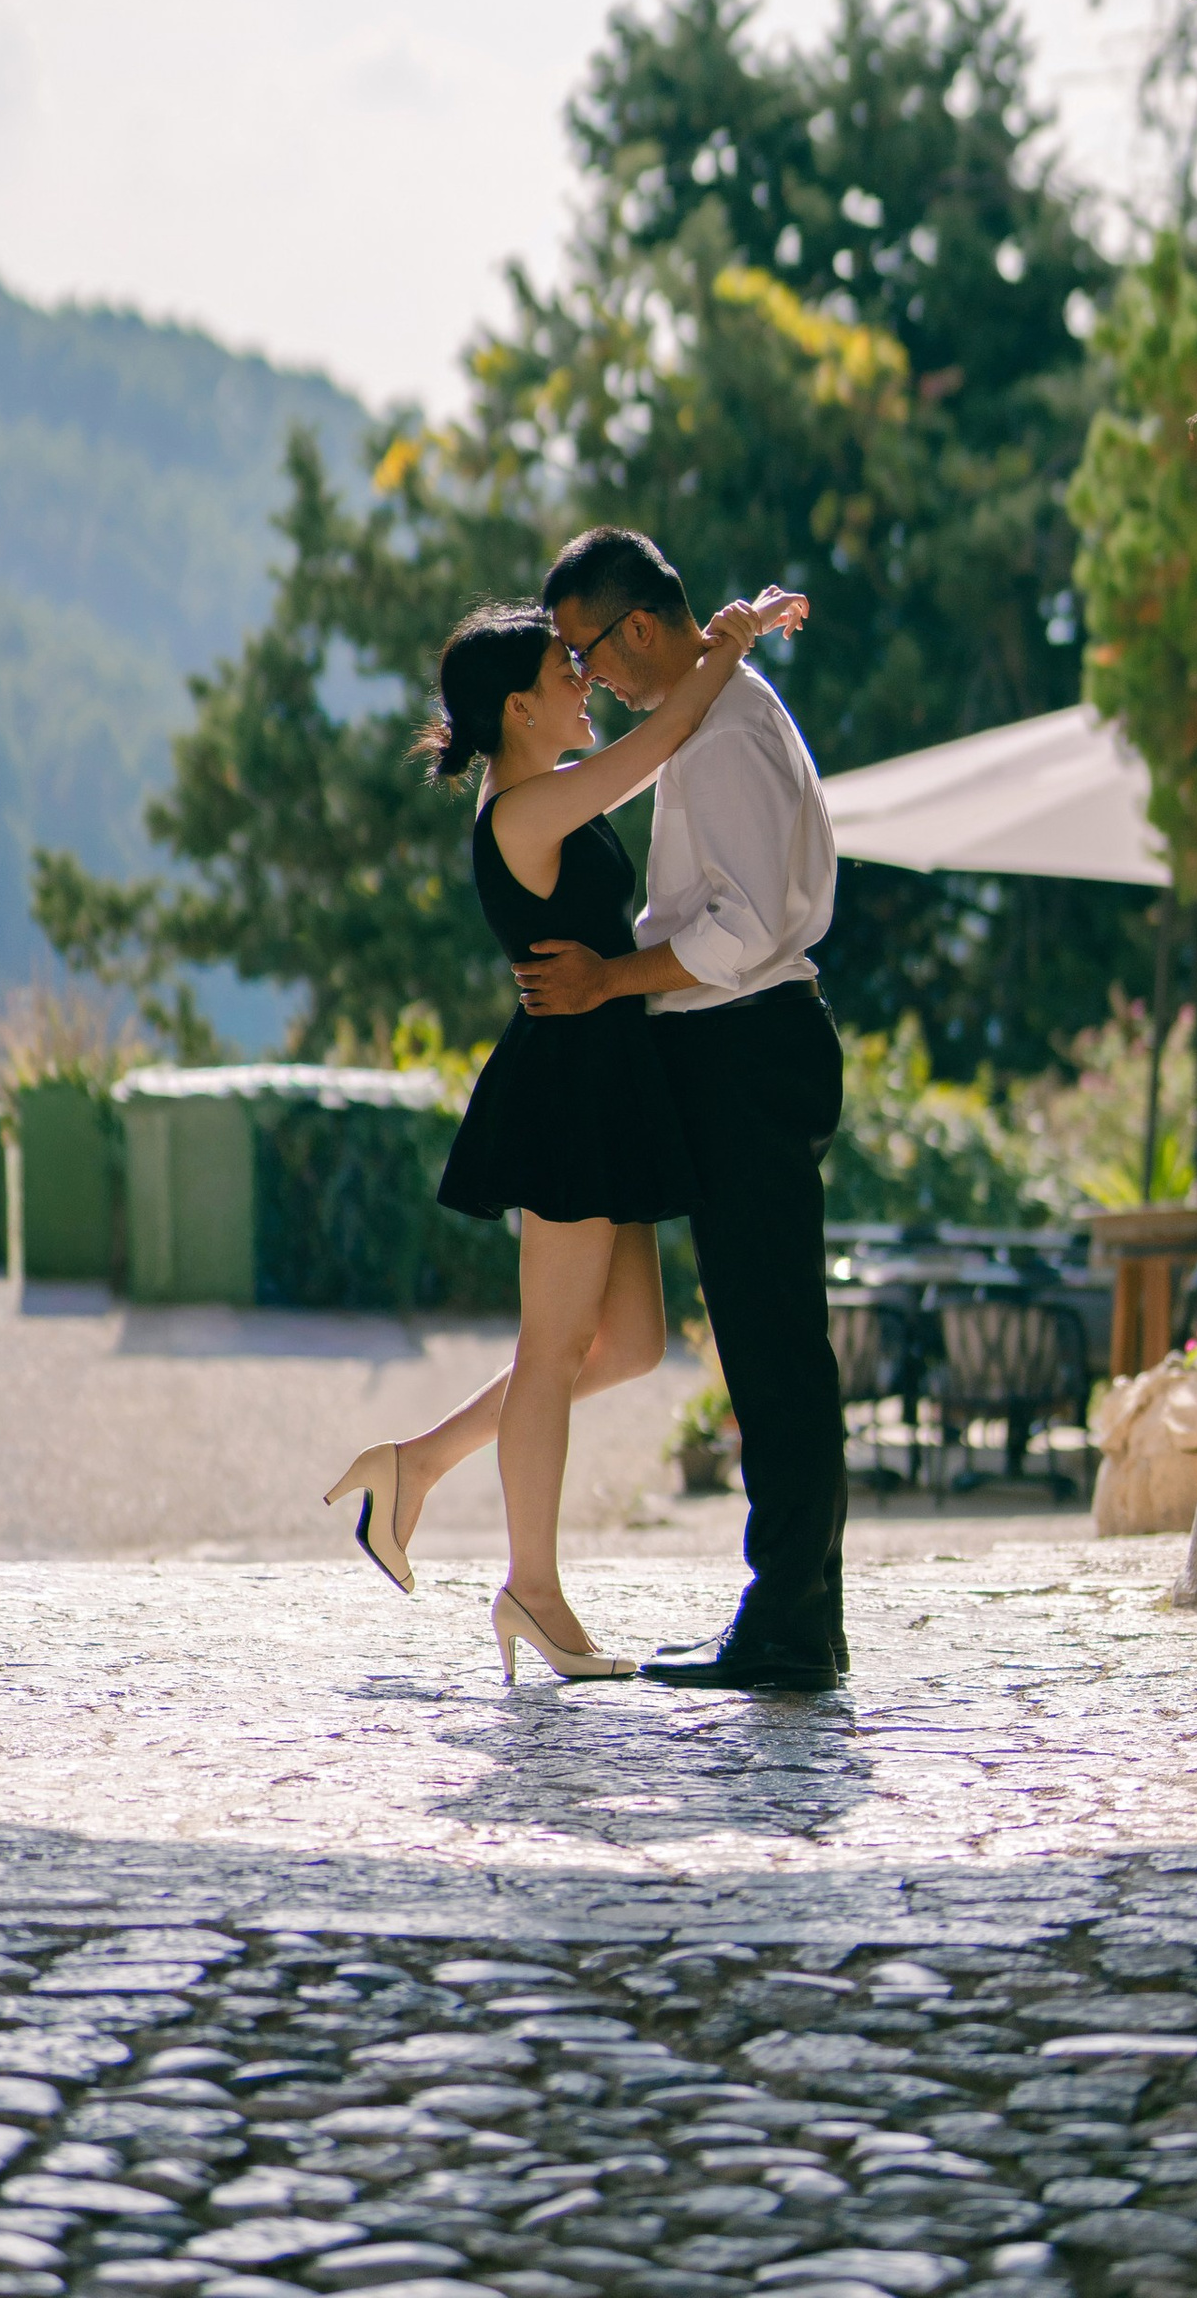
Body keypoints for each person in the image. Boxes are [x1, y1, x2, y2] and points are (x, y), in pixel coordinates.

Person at [323, 581, 807, 1683]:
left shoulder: (545, 796)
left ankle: (416, 1464)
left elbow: (653, 740)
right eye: (563, 673)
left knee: (627, 1344)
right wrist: (729, 640)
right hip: (567, 1091)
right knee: (551, 1350)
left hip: (605, 1080)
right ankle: (530, 1591)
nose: (583, 683)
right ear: (517, 709)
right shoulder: (521, 811)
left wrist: (719, 643)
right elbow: (665, 737)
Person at [522, 525, 845, 1694]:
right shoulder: (717, 707)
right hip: (746, 1048)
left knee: (771, 1349)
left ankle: (789, 1623)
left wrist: (608, 979)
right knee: (769, 1342)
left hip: (742, 1048)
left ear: (640, 626)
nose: (585, 674)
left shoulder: (719, 742)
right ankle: (800, 1614)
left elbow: (740, 930)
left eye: (587, 649)